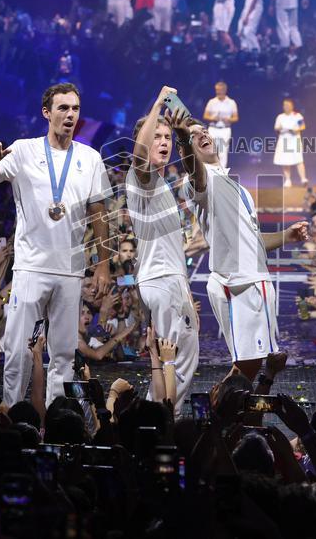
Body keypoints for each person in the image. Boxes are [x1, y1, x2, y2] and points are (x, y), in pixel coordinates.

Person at [0, 82, 112, 407]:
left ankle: (57, 415)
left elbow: (99, 214)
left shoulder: (90, 158)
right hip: (31, 268)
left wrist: (103, 265)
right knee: (18, 348)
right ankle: (12, 411)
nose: (70, 115)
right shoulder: (23, 150)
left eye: (75, 108)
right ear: (47, 112)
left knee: (63, 353)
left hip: (71, 270)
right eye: (63, 108)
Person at [171, 110, 309, 380]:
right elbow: (194, 171)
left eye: (203, 131)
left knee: (254, 365)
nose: (201, 135)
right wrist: (183, 138)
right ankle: (224, 406)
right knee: (248, 365)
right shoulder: (197, 181)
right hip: (238, 282)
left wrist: (286, 236)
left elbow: (254, 241)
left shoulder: (239, 188)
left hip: (253, 278)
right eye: (193, 135)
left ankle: (237, 405)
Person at [126, 86, 199, 408]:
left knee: (173, 359)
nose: (164, 142)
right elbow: (139, 156)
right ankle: (165, 422)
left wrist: (185, 289)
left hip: (169, 280)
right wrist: (157, 103)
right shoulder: (140, 177)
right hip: (162, 280)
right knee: (176, 362)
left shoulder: (161, 184)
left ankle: (155, 418)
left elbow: (170, 248)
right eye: (156, 136)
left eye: (167, 137)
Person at [202, 81, 239, 169]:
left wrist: (228, 119)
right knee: (211, 151)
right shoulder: (211, 102)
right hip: (213, 129)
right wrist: (213, 118)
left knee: (223, 152)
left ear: (225, 90)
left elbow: (236, 118)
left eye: (220, 90)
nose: (218, 92)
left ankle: (222, 174)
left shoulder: (231, 102)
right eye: (217, 90)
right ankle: (210, 171)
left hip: (225, 129)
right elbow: (205, 116)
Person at [272, 98, 307, 187]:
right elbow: (276, 127)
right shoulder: (280, 117)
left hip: (295, 140)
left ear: (292, 106)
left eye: (288, 105)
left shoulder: (297, 116)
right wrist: (280, 128)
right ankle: (288, 180)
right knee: (285, 161)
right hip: (284, 140)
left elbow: (303, 126)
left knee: (299, 159)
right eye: (285, 105)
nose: (286, 107)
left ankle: (303, 179)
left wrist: (296, 129)